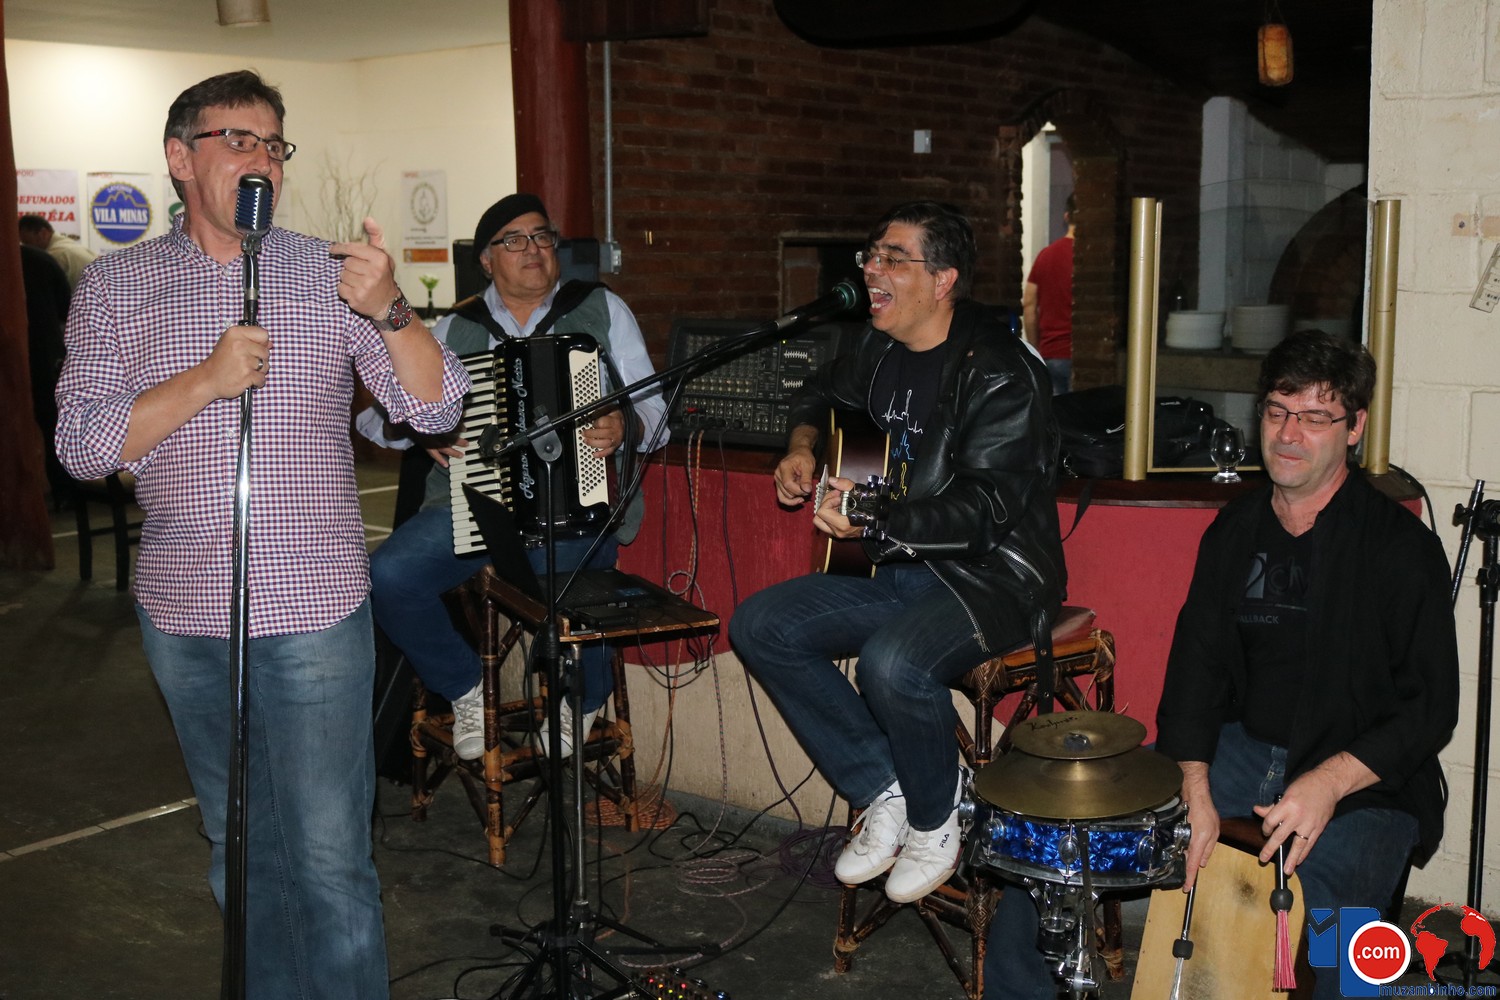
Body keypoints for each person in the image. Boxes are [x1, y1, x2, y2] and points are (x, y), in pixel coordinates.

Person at [53, 69, 469, 1000]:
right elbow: (80, 447)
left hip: (314, 606)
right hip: (186, 613)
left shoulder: (326, 273)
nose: (262, 161)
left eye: (274, 145)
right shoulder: (118, 286)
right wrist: (204, 380)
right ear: (180, 157)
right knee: (238, 849)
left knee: (328, 859)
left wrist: (391, 309)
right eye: (237, 140)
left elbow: (437, 407)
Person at [984, 329, 1460, 1000]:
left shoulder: (1400, 549)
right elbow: (1196, 670)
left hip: (1363, 781)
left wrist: (1327, 784)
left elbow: (1431, 706)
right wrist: (1194, 783)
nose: (1288, 434)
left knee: (1329, 928)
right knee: (1055, 853)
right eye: (1277, 411)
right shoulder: (1236, 531)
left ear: (1354, 428)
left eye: (1314, 417)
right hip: (1239, 753)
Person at [729, 200, 1066, 905]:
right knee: (761, 625)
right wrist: (801, 448)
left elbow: (984, 510)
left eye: (892, 258)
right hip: (895, 567)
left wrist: (868, 518)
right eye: (870, 256)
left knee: (893, 662)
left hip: (990, 581)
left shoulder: (1000, 372)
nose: (871, 271)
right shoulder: (879, 349)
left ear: (943, 279)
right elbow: (819, 391)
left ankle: (940, 814)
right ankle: (886, 785)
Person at [366, 193, 669, 762]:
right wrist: (424, 430)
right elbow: (377, 418)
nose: (532, 249)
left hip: (575, 503)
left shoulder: (601, 308)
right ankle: (464, 687)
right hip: (473, 507)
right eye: (514, 240)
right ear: (486, 260)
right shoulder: (454, 327)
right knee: (389, 576)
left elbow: (655, 409)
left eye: (542, 236)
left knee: (584, 575)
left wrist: (624, 425)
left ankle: (580, 699)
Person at [20, 242, 73, 506]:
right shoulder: (41, 260)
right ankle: (66, 492)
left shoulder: (37, 260)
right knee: (53, 424)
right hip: (46, 355)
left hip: (34, 356)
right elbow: (67, 307)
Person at [1021, 193, 1075, 395]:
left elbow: (1029, 304)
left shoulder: (1046, 256)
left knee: (1056, 412)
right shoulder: (1094, 260)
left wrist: (1035, 349)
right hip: (1085, 356)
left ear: (1066, 216)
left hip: (1052, 352)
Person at [19, 213, 98, 290]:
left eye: (27, 242)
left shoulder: (55, 255)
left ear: (43, 233)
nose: (27, 248)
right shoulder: (68, 246)